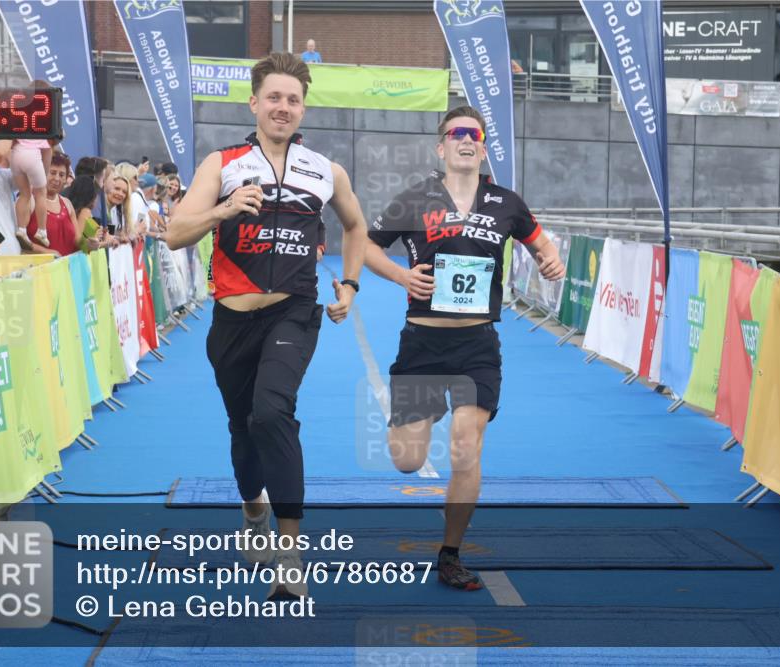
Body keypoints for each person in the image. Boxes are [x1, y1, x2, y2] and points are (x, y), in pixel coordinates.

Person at [166, 52, 367, 601]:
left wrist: (350, 284)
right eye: (274, 97)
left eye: (293, 99)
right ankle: (253, 507)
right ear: (254, 102)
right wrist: (223, 210)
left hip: (294, 311)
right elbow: (175, 232)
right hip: (231, 319)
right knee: (242, 425)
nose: (283, 107)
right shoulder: (223, 163)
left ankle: (289, 553)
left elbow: (356, 226)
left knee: (273, 412)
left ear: (303, 109)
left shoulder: (327, 171)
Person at [364, 105, 565, 591]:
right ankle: (426, 409)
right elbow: (367, 246)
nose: (466, 139)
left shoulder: (505, 202)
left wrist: (550, 261)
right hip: (421, 344)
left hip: (477, 343)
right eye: (457, 133)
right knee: (407, 460)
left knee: (465, 449)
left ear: (482, 147)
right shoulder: (414, 198)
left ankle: (450, 553)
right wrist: (399, 275)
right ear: (441, 147)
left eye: (475, 134)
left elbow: (542, 244)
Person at [26, 154, 80, 257]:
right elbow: (18, 239)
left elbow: (77, 240)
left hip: (67, 270)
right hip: (37, 270)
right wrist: (46, 252)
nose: (56, 179)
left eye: (61, 175)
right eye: (52, 173)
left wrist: (90, 243)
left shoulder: (67, 204)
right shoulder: (28, 201)